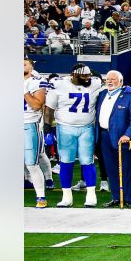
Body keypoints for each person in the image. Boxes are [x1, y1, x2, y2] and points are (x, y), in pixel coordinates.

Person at [46, 63, 103, 208]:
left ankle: (91, 195)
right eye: (84, 75)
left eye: (89, 75)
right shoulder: (59, 84)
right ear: (74, 75)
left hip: (87, 128)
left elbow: (102, 79)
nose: (87, 78)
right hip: (65, 128)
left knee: (87, 161)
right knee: (66, 162)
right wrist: (47, 127)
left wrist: (87, 69)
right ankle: (66, 197)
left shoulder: (95, 83)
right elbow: (49, 109)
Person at [96, 70, 131, 208]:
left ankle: (129, 198)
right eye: (108, 79)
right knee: (111, 169)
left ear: (121, 82)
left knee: (126, 168)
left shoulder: (130, 96)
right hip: (104, 136)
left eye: (113, 79)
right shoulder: (102, 95)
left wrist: (128, 135)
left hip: (123, 138)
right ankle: (116, 196)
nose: (109, 81)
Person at [23, 59, 51, 207]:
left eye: (24, 64)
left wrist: (23, 91)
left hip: (28, 125)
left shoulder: (36, 82)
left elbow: (36, 105)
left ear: (31, 66)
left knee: (32, 163)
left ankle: (41, 197)